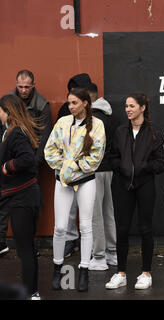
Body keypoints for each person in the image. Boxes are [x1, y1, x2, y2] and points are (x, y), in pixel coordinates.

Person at [44, 87, 106, 292]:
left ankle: (84, 271)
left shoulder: (97, 125)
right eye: (69, 103)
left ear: (85, 103)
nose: (70, 106)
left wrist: (72, 167)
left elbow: (96, 158)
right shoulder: (62, 122)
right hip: (62, 181)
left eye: (74, 103)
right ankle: (57, 268)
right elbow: (49, 149)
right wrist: (65, 167)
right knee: (60, 227)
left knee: (86, 226)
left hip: (86, 180)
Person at [105, 93, 164, 290]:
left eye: (132, 106)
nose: (128, 109)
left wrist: (144, 167)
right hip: (122, 185)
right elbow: (111, 156)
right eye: (126, 106)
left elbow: (162, 162)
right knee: (122, 229)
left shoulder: (153, 133)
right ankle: (121, 273)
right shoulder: (120, 131)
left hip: (144, 185)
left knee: (145, 229)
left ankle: (146, 273)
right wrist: (122, 166)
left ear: (142, 108)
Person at [0, 70, 53, 257]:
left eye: (27, 87)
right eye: (20, 86)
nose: (23, 90)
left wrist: (35, 163)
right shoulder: (6, 102)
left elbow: (45, 137)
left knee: (30, 207)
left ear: (33, 85)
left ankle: (30, 244)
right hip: (8, 163)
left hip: (30, 163)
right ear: (16, 83)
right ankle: (2, 242)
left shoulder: (42, 104)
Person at [0, 95, 42, 300]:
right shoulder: (14, 131)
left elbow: (27, 159)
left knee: (25, 248)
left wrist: (8, 167)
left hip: (23, 198)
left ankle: (30, 293)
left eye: (0, 110)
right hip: (22, 197)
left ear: (7, 111)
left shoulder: (16, 133)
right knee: (27, 247)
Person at [58, 73, 93, 259]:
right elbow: (56, 141)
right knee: (70, 208)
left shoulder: (96, 113)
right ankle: (71, 241)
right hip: (68, 168)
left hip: (88, 168)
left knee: (90, 210)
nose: (72, 102)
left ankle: (92, 247)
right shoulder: (65, 110)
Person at [86, 82, 118, 271]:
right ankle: (111, 253)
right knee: (108, 212)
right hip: (109, 170)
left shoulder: (93, 119)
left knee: (95, 214)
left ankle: (98, 257)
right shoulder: (111, 116)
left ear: (87, 99)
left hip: (95, 170)